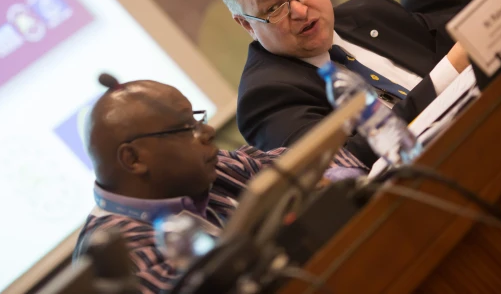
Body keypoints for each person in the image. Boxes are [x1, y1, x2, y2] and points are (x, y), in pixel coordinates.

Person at [73, 75, 366, 293]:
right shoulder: (120, 256)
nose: (208, 131)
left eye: (198, 119)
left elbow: (324, 161)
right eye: (187, 128)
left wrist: (333, 185)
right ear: (134, 158)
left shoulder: (211, 169)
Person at [211, 0, 471, 167]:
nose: (300, 11)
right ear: (246, 24)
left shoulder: (370, 10)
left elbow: (460, 37)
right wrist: (445, 77)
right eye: (275, 8)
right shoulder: (265, 98)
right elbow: (341, 165)